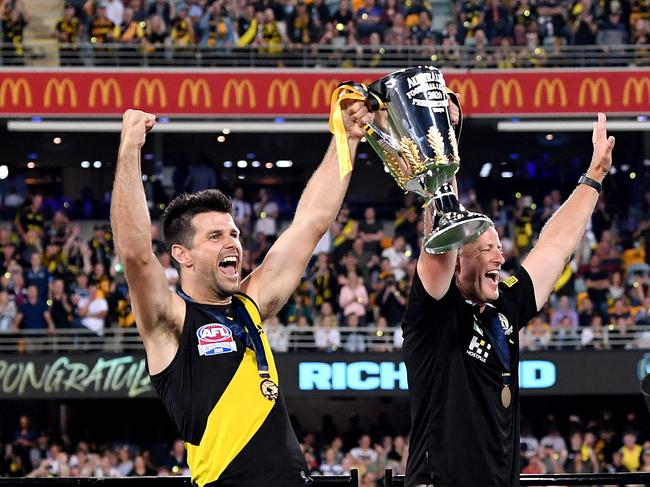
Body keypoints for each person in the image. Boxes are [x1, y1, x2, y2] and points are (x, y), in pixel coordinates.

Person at [110, 102, 370, 486]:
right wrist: (130, 146)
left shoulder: (252, 304)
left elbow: (311, 223)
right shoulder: (170, 320)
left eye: (233, 233)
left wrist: (345, 138)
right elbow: (134, 253)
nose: (232, 241)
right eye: (215, 236)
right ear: (182, 255)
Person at [401, 113, 614, 487]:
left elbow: (556, 246)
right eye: (484, 249)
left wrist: (593, 177)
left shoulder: (503, 309)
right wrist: (441, 147)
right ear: (458, 260)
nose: (499, 257)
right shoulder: (435, 313)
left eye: (499, 247)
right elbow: (439, 242)